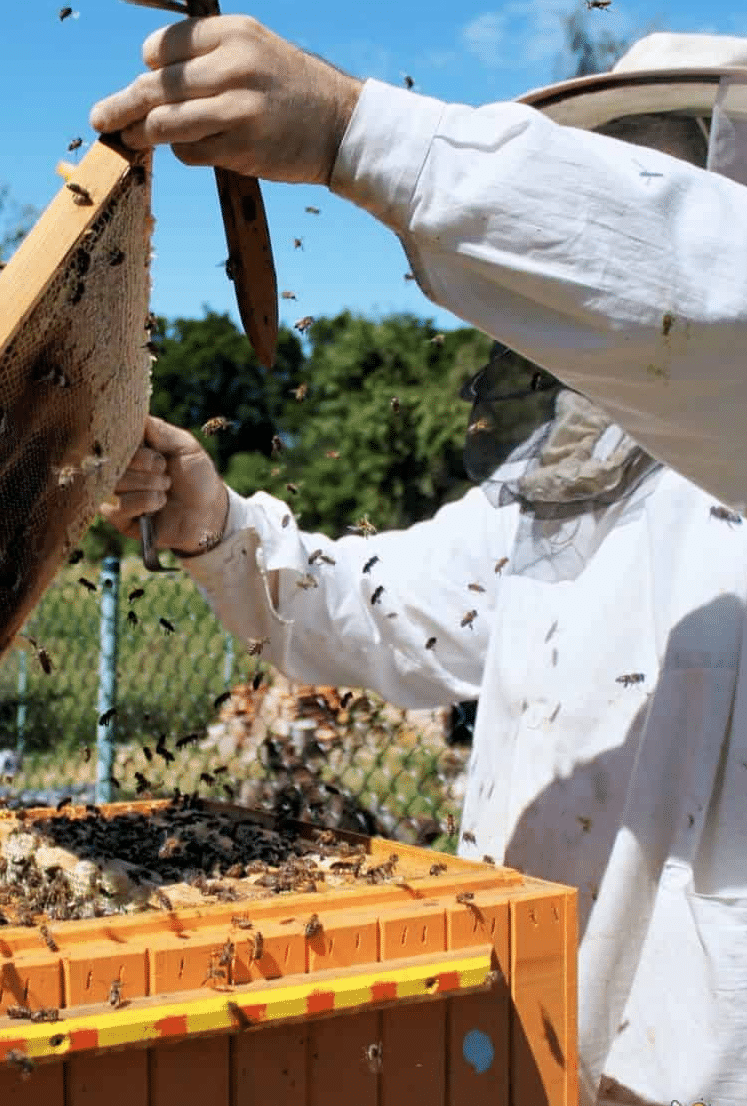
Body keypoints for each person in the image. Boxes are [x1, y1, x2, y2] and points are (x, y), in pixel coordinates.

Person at [92, 19, 747, 1106]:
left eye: (668, 167)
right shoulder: (561, 473)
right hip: (528, 1038)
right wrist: (218, 525)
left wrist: (354, 132)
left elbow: (707, 301)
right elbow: (388, 611)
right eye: (619, 164)